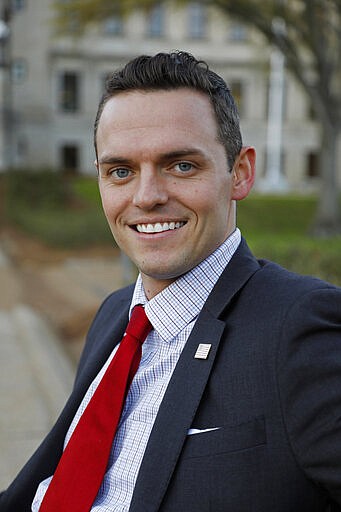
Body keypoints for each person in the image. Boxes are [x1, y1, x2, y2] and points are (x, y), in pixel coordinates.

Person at [1, 51, 341, 512]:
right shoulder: (115, 315)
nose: (146, 197)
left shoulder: (300, 328)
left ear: (239, 173)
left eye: (181, 166)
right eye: (120, 171)